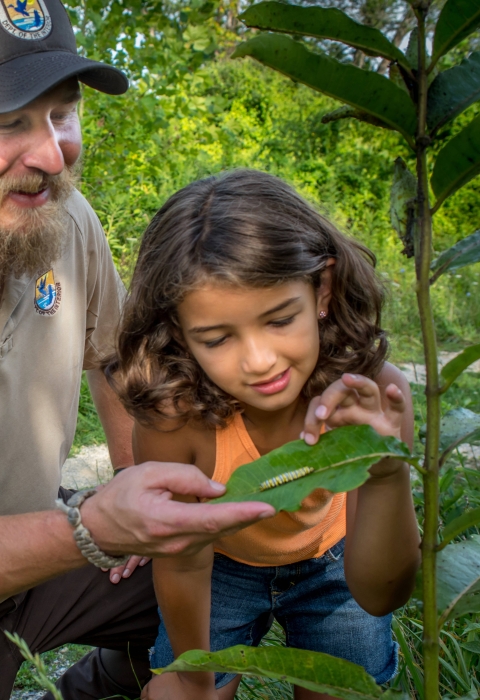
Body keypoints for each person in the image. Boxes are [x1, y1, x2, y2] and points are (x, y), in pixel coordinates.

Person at [0, 3, 274, 697]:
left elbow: (121, 364)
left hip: (40, 546)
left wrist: (140, 487)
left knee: (228, 583)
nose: (52, 154)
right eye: (10, 123)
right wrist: (95, 527)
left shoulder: (62, 219)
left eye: (63, 113)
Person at [106, 169, 421, 700]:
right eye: (216, 337)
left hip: (337, 560)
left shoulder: (374, 395)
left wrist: (386, 473)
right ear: (178, 332)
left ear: (322, 289)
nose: (259, 361)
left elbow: (381, 594)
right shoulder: (173, 415)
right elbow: (184, 562)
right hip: (220, 564)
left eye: (279, 320)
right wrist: (196, 678)